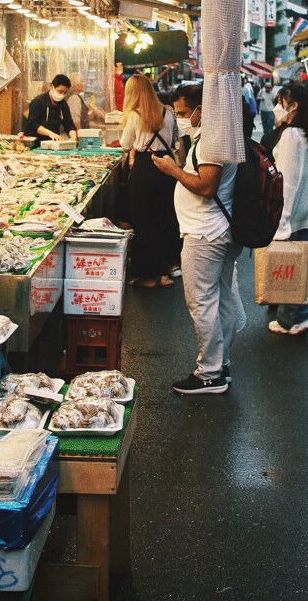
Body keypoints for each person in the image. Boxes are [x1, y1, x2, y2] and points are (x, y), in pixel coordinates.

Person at [152, 82, 240, 395]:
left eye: (184, 113)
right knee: (220, 299)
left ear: (202, 109)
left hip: (206, 232)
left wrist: (171, 169)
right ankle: (220, 363)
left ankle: (210, 373)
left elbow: (206, 187)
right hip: (214, 229)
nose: (181, 119)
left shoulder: (213, 139)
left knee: (202, 301)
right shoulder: (216, 134)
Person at [267, 84, 308, 336]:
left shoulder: (291, 136)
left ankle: (307, 310)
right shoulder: (307, 132)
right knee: (300, 263)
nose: (277, 106)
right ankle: (289, 319)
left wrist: (281, 222)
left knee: (292, 266)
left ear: (293, 106)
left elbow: (288, 182)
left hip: (295, 212)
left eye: (281, 101)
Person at [120, 73, 180, 289]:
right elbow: (174, 140)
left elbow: (126, 144)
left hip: (145, 168)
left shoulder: (135, 115)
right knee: (165, 220)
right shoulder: (168, 112)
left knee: (144, 220)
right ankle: (164, 274)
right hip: (167, 167)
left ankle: (146, 276)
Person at [23, 74, 77, 142]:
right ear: (52, 87)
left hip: (52, 144)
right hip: (35, 143)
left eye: (65, 92)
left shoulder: (63, 104)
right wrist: (50, 134)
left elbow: (69, 124)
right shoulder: (38, 101)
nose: (62, 95)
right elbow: (32, 124)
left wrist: (73, 138)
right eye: (60, 91)